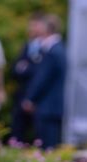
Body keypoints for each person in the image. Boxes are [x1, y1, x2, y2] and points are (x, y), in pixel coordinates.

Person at [21, 14, 67, 149]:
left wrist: (30, 98)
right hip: (51, 106)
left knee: (48, 146)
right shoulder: (58, 48)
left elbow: (42, 79)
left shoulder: (53, 51)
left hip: (48, 106)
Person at [9, 13, 45, 144]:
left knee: (38, 134)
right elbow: (14, 70)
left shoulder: (46, 47)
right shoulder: (26, 46)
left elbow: (39, 72)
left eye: (35, 25)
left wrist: (25, 68)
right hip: (22, 95)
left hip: (38, 97)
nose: (31, 29)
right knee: (18, 131)